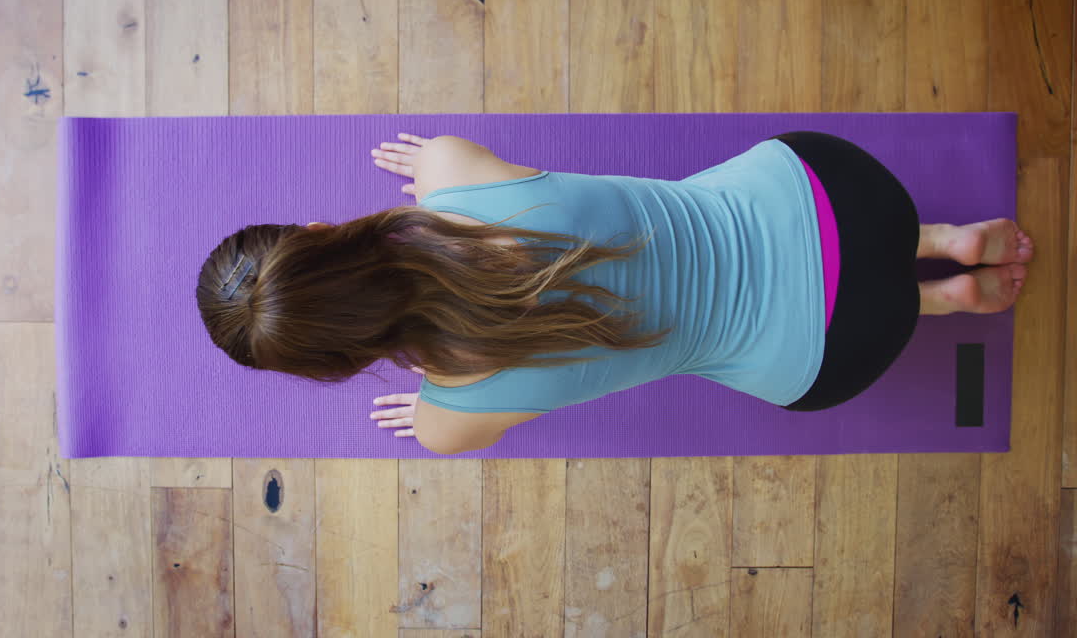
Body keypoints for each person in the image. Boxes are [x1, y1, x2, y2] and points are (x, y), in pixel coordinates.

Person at [197, 132, 1033, 455]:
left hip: (838, 351)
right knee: (798, 230)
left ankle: (942, 301)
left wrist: (429, 403)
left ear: (342, 362)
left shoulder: (451, 420)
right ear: (319, 231)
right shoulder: (451, 169)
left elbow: (440, 399)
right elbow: (443, 226)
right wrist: (428, 195)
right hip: (839, 189)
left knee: (836, 312)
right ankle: (942, 240)